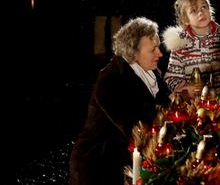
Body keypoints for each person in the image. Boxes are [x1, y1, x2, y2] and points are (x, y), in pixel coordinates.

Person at [70, 17, 171, 185]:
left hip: (128, 162)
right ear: (133, 53)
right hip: (98, 167)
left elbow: (164, 103)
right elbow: (135, 126)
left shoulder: (151, 72)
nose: (160, 53)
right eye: (153, 49)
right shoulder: (112, 79)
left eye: (158, 47)